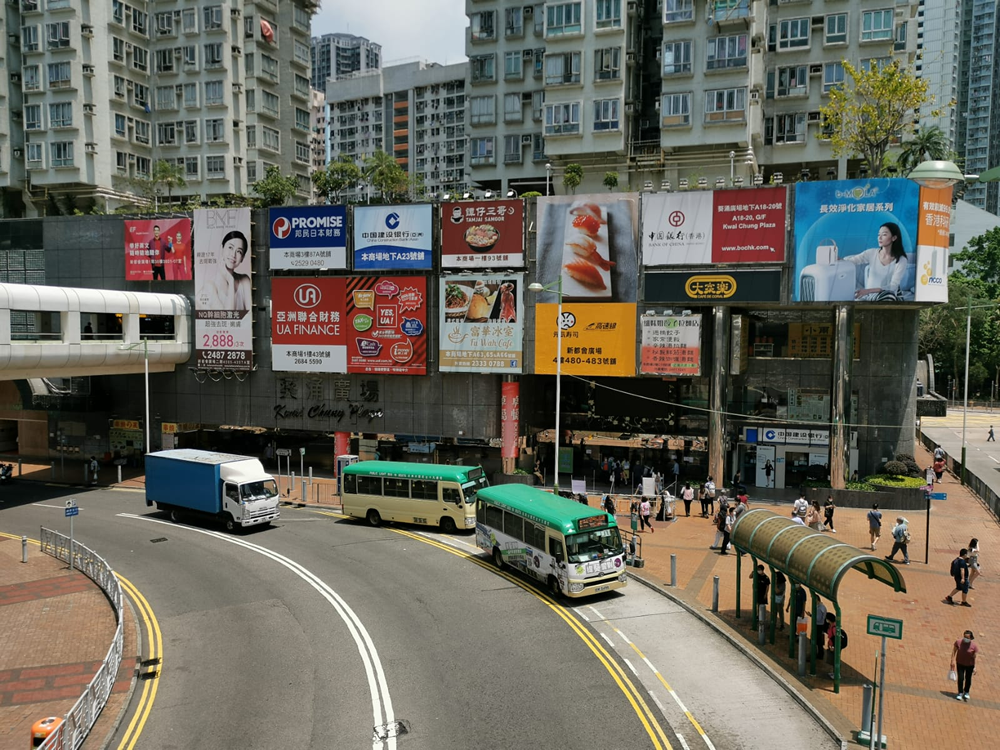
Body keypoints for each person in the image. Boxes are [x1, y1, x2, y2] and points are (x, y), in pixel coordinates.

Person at [845, 221, 910, 301]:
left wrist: (868, 291)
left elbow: (893, 286)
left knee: (888, 296)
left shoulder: (901, 260)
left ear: (894, 238)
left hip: (888, 295)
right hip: (870, 296)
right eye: (879, 235)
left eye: (884, 235)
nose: (880, 238)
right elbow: (852, 260)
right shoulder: (871, 253)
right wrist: (839, 260)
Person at [197, 229, 251, 311]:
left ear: (242, 258)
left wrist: (230, 280)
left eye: (239, 251)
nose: (233, 255)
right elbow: (228, 316)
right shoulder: (210, 287)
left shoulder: (244, 280)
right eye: (230, 247)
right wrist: (231, 281)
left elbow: (250, 313)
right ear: (221, 249)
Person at [950, 630, 979, 701]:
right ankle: (960, 692)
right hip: (960, 663)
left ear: (970, 638)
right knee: (961, 678)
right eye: (965, 637)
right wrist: (952, 660)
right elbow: (954, 651)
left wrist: (975, 667)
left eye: (967, 638)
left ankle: (966, 692)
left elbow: (975, 657)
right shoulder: (958, 642)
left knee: (968, 679)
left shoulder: (974, 646)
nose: (965, 639)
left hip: (970, 665)